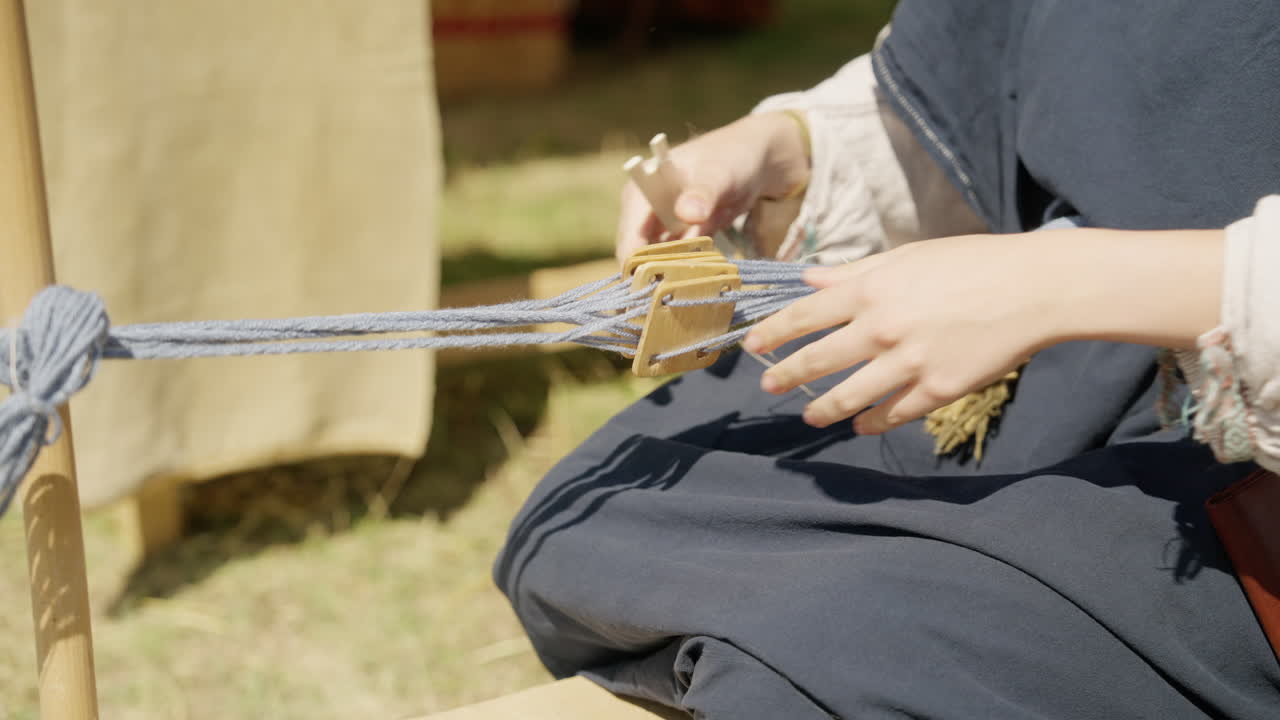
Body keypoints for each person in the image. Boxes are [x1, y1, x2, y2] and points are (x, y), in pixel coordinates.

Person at [496, 2, 1280, 717]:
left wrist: (1069, 284)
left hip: (1237, 459)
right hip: (1050, 351)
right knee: (597, 503)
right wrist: (796, 146)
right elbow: (994, 88)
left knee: (851, 637)